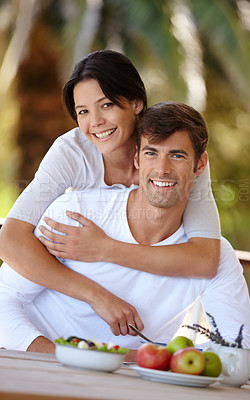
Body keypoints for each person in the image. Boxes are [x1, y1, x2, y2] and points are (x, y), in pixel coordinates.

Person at [0, 101, 250, 376]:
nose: (162, 169)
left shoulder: (213, 256)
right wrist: (61, 356)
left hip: (127, 385)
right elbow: (4, 297)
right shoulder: (76, 213)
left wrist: (149, 359)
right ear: (137, 159)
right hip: (33, 370)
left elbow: (247, 354)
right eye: (152, 153)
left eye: (177, 155)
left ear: (200, 165)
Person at [0, 50, 221, 336]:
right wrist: (96, 295)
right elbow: (11, 238)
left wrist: (105, 248)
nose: (95, 122)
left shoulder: (175, 156)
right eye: (83, 112)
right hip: (61, 297)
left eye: (106, 105)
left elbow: (205, 258)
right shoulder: (72, 152)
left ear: (136, 103)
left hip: (135, 308)